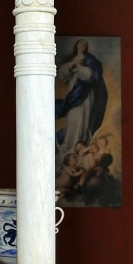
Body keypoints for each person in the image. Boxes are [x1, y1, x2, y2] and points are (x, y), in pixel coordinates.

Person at [55, 38, 108, 168]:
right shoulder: (71, 60)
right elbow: (62, 75)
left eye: (85, 43)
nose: (83, 45)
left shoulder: (91, 61)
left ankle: (81, 151)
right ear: (76, 45)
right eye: (80, 43)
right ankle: (69, 150)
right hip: (73, 95)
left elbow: (91, 76)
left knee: (84, 121)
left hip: (86, 96)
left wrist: (79, 67)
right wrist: (72, 65)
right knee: (73, 121)